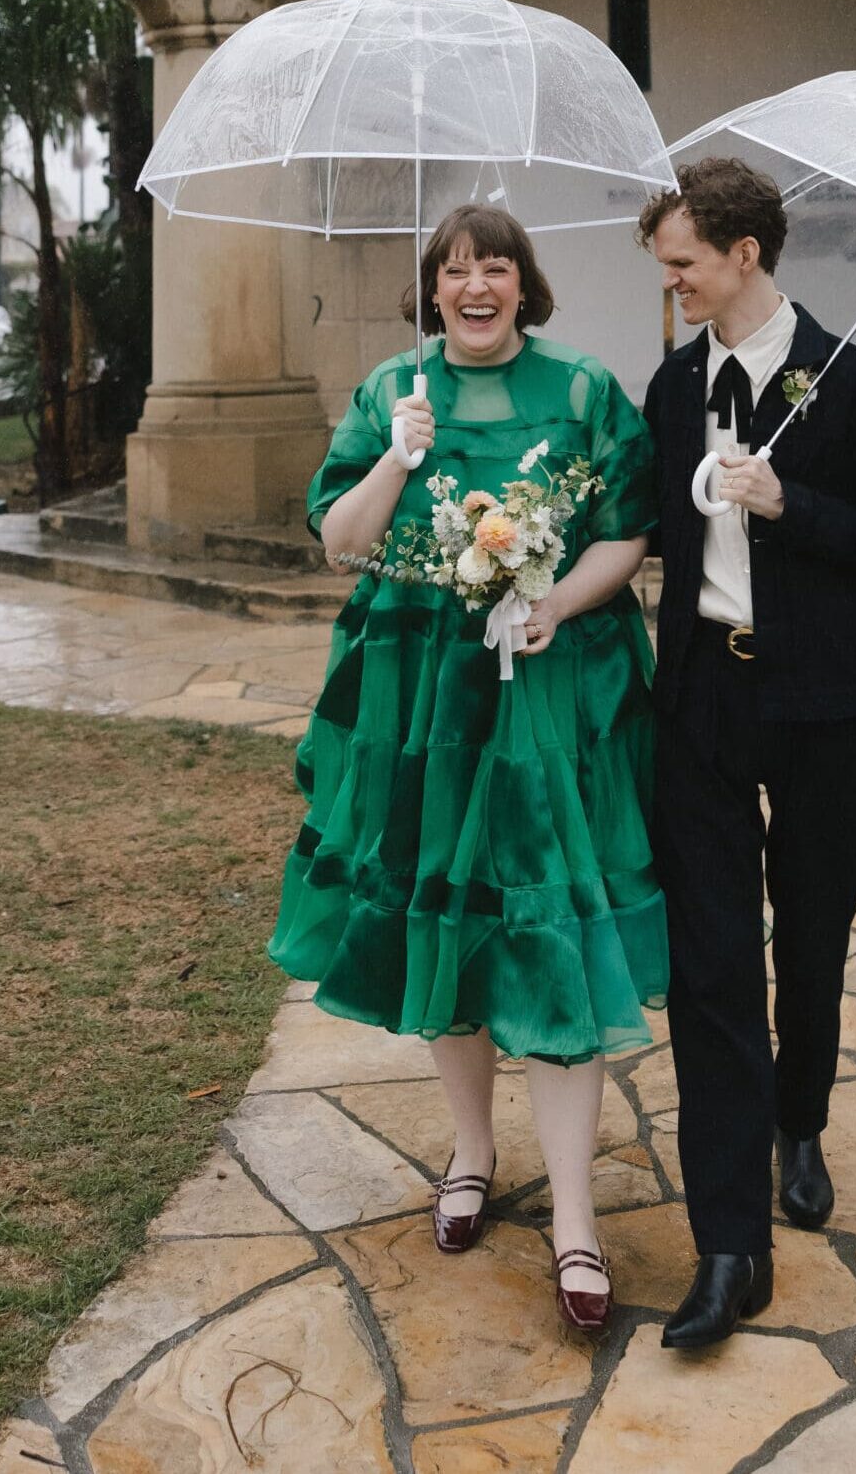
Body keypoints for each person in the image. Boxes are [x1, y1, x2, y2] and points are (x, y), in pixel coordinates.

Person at [268, 203, 666, 1334]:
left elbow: (628, 528)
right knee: (446, 909)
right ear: (432, 289)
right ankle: (474, 1152)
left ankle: (578, 1217)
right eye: (455, 269)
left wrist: (552, 596)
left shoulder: (586, 387)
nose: (476, 283)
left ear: (523, 281)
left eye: (497, 263)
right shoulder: (392, 387)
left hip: (549, 690)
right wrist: (398, 456)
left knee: (552, 927)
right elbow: (341, 541)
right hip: (422, 697)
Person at [639, 158, 856, 1349]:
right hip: (702, 695)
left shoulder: (853, 387)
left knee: (810, 930)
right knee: (710, 962)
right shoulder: (670, 387)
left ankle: (798, 1118)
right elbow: (649, 524)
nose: (670, 285)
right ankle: (728, 1244)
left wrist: (787, 505)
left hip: (821, 705)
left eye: (683, 264)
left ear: (744, 254)